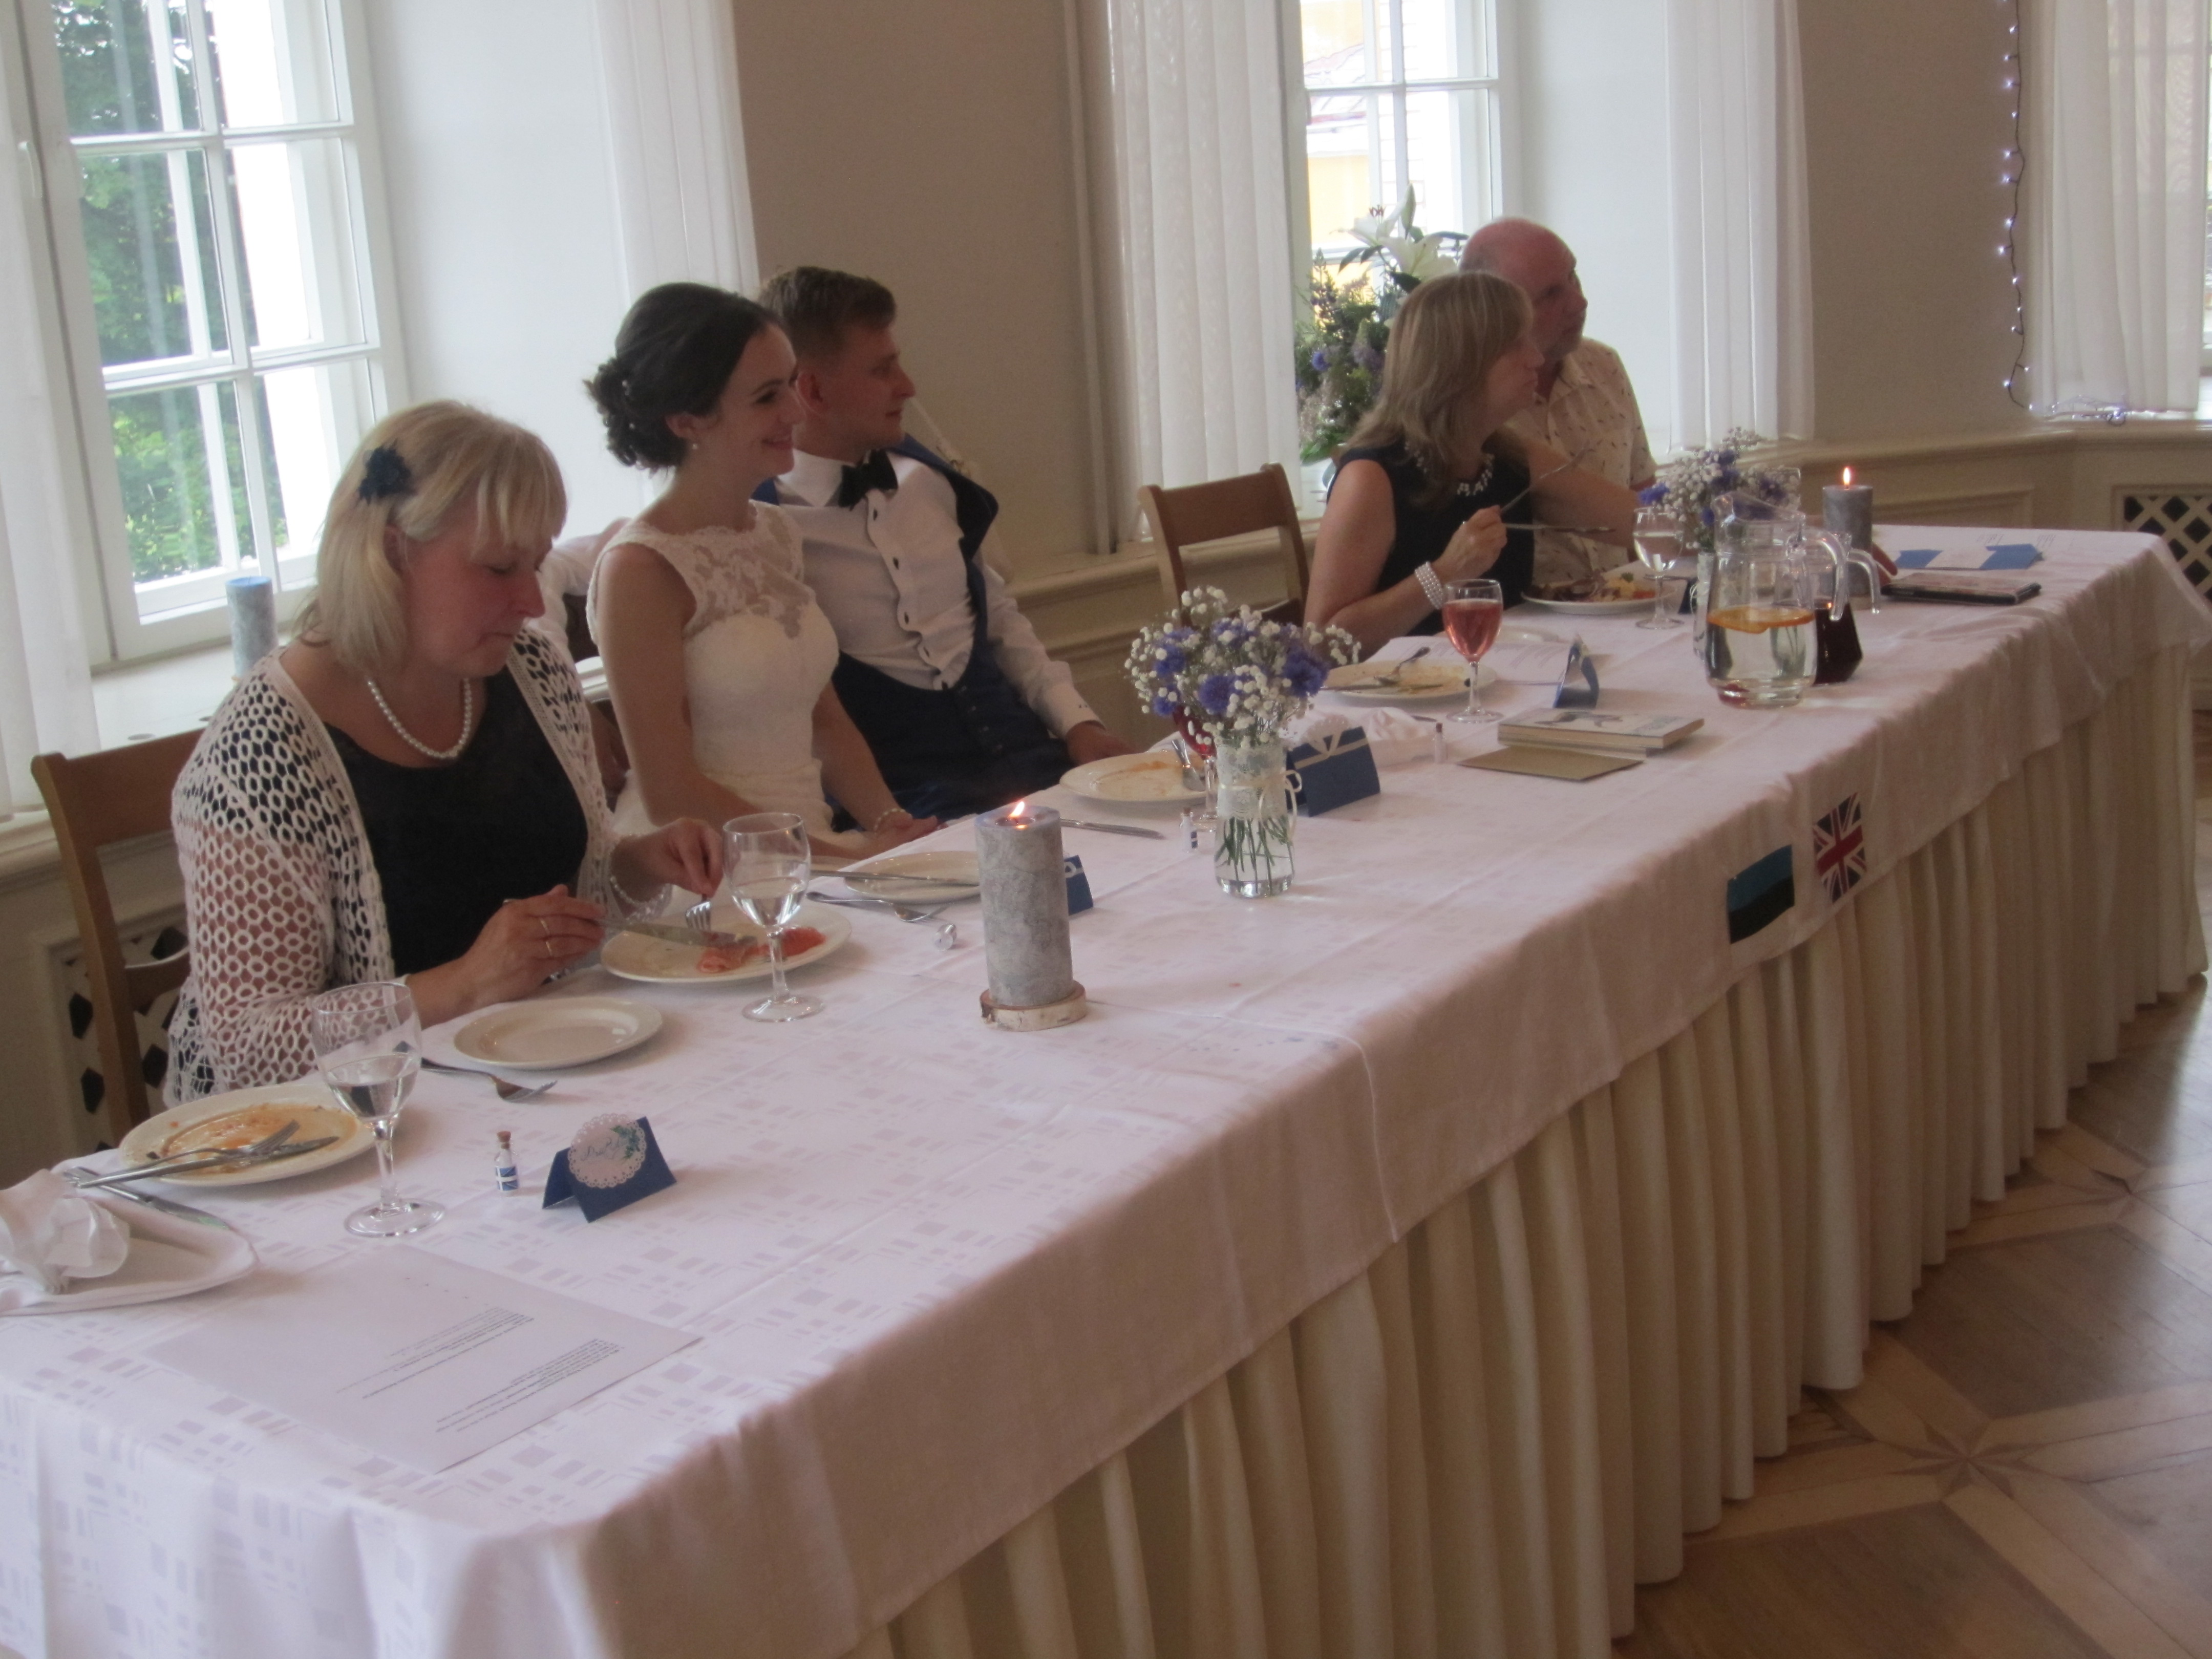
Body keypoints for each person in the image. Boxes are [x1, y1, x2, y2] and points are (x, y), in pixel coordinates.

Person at [167, 402, 722, 1101]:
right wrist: (464, 984)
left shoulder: (534, 674)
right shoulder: (262, 755)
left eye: (537, 564)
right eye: (499, 568)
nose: (530, 601)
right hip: (351, 1125)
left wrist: (641, 864)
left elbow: (570, 898)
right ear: (392, 553)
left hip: (527, 1070)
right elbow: (250, 1051)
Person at [756, 266, 1133, 822]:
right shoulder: (763, 528)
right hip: (908, 810)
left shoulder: (931, 481)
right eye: (882, 370)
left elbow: (997, 616)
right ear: (812, 390)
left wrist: (1078, 723)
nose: (907, 386)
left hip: (1039, 773)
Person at [585, 283, 936, 860]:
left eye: (791, 384)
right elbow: (671, 793)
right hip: (710, 863)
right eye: (768, 396)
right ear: (687, 420)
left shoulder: (774, 532)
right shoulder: (640, 571)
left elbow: (825, 720)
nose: (796, 411)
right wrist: (842, 860)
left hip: (812, 845)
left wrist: (891, 823)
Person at [1305, 272, 1639, 655]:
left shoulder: (1509, 457)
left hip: (1500, 677)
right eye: (1516, 345)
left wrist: (1700, 504)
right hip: (1403, 691)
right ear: (1461, 365)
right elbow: (1321, 646)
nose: (1536, 358)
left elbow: (1642, 523)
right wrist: (1445, 574)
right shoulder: (1371, 478)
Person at [1460, 218, 1657, 588]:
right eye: (1551, 294)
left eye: (1574, 277)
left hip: (1622, 603)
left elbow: (1644, 501)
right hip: (1522, 615)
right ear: (1494, 313)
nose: (1580, 302)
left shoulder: (1604, 365)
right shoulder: (1473, 406)